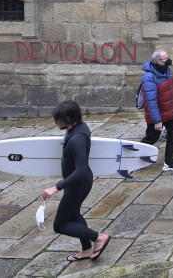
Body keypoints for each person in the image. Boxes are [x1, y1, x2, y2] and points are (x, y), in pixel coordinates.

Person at [42, 100, 110, 262]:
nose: (56, 122)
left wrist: (55, 187)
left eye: (58, 119)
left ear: (68, 119)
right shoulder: (79, 127)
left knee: (60, 225)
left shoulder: (76, 140)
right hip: (78, 183)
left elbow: (81, 170)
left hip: (78, 184)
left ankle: (99, 238)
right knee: (74, 215)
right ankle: (86, 249)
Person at [140, 49, 173, 171]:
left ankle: (169, 162)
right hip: (157, 115)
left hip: (168, 112)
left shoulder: (165, 70)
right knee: (151, 138)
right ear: (159, 61)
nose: (169, 59)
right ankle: (135, 155)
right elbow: (151, 101)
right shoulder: (149, 77)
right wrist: (157, 121)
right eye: (166, 58)